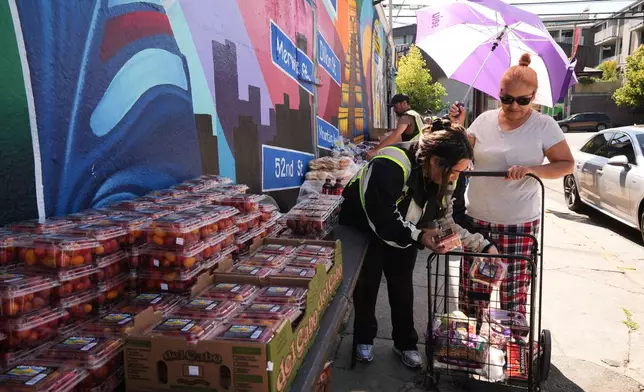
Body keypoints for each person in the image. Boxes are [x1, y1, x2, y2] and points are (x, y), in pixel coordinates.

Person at [340, 120, 498, 368]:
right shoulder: (390, 164)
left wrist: (484, 245)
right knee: (366, 286)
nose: (456, 178)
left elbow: (450, 219)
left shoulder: (448, 178)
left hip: (407, 230)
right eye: (455, 171)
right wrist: (419, 236)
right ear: (435, 161)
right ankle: (363, 338)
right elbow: (382, 218)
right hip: (365, 229)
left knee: (402, 287)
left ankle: (405, 343)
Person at [448, 53, 574, 317]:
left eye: (523, 100)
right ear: (500, 93)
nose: (513, 106)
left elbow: (565, 164)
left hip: (518, 223)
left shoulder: (544, 126)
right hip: (477, 221)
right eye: (506, 99)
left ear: (534, 96)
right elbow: (462, 153)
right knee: (474, 291)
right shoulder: (483, 120)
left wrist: (530, 170)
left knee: (513, 294)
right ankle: (471, 345)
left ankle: (512, 345)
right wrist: (457, 126)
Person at [366, 94, 424, 160]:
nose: (394, 110)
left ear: (404, 103)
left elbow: (395, 136)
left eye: (396, 107)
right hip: (419, 152)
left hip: (413, 155)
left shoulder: (406, 117)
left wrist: (375, 151)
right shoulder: (415, 114)